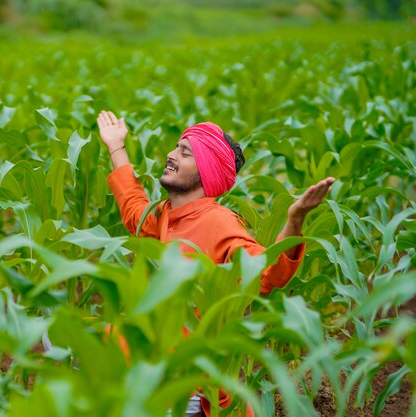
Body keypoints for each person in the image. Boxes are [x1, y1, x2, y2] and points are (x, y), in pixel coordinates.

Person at [96, 110, 334, 417]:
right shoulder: (168, 214)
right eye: (175, 147)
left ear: (205, 171)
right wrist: (116, 146)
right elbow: (134, 211)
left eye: (184, 152)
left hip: (189, 383)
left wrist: (295, 219)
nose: (170, 155)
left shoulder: (220, 224)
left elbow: (267, 272)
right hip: (156, 362)